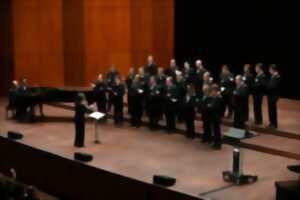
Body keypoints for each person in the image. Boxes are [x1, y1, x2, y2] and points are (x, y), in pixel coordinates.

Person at [202, 84, 223, 150]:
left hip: (216, 117)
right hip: (213, 117)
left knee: (217, 131)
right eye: (212, 91)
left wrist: (210, 106)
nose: (212, 92)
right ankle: (215, 142)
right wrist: (209, 106)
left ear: (216, 91)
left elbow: (214, 107)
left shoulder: (218, 98)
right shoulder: (213, 98)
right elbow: (209, 105)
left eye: (213, 91)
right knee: (214, 131)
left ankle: (218, 144)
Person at [267, 64, 280, 129]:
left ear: (272, 69)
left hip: (273, 96)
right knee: (271, 110)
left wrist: (267, 88)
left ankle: (274, 124)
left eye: (270, 69)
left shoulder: (276, 76)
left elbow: (273, 86)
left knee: (272, 110)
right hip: (271, 95)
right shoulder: (273, 76)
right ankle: (271, 123)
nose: (269, 71)